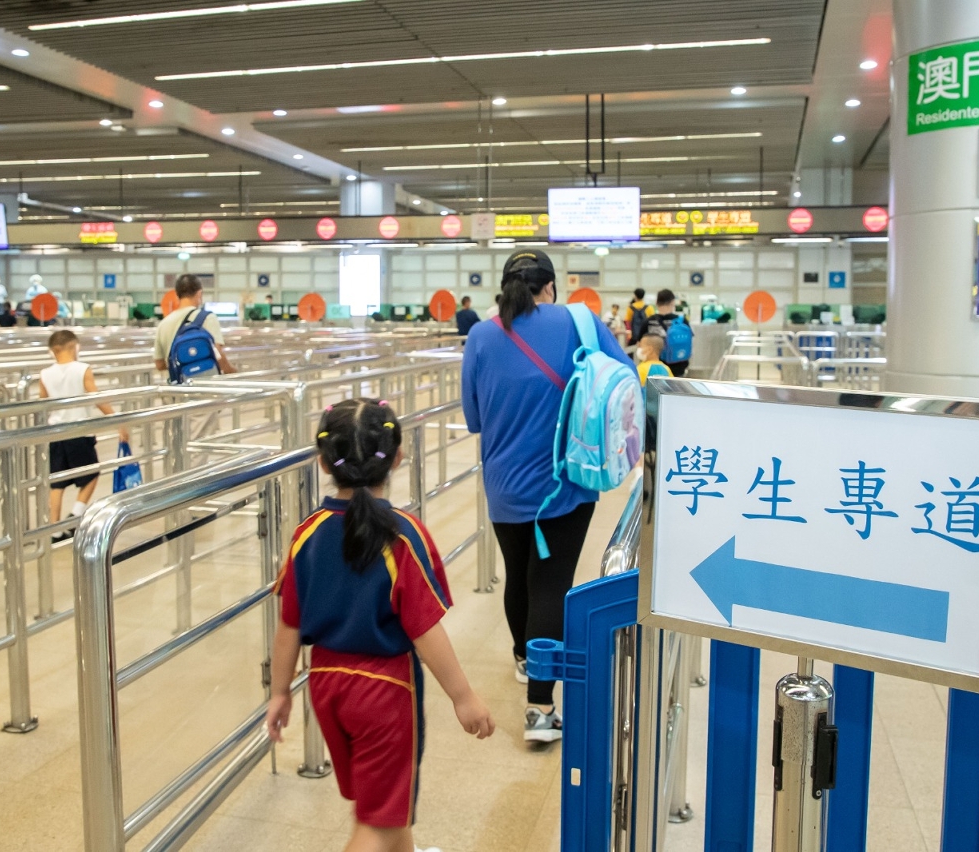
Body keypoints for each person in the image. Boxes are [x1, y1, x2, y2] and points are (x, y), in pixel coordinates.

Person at [266, 398, 493, 852]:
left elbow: (289, 625)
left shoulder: (306, 533)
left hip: (327, 684)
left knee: (385, 804)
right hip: (384, 692)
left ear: (322, 462)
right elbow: (424, 629)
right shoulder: (401, 534)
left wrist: (279, 692)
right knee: (378, 823)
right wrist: (463, 697)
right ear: (399, 456)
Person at [462, 249, 635, 742]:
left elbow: (474, 418)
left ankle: (524, 657)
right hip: (567, 482)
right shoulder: (581, 322)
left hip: (505, 485)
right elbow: (624, 382)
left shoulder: (481, 336)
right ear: (551, 286)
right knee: (551, 584)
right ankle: (540, 709)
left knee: (518, 575)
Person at [39, 330, 129, 542]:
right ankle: (76, 514)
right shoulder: (82, 369)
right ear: (74, 347)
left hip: (56, 433)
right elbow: (96, 398)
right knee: (91, 473)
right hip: (80, 432)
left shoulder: (45, 374)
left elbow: (43, 403)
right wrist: (117, 421)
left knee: (57, 482)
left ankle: (54, 528)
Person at [153, 273, 236, 379]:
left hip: (178, 384)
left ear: (177, 295)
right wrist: (232, 372)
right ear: (199, 293)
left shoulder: (163, 324)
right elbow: (218, 355)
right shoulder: (208, 318)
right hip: (206, 383)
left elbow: (159, 364)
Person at [644, 289, 690, 377]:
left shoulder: (649, 322)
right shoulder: (682, 321)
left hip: (656, 368)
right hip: (679, 365)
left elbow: (641, 344)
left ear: (657, 303)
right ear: (673, 302)